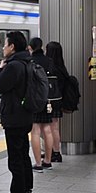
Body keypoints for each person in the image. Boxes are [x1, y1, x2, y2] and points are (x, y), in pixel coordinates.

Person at [0, 31, 33, 193]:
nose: (3, 48)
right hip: (25, 116)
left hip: (14, 117)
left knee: (15, 159)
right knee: (23, 155)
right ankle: (25, 190)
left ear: (12, 46)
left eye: (5, 44)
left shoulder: (14, 66)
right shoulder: (27, 62)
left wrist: (0, 68)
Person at [28, 37, 54, 172]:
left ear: (30, 48)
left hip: (35, 100)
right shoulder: (49, 61)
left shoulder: (30, 62)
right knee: (47, 129)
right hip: (47, 99)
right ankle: (48, 161)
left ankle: (38, 163)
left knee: (36, 131)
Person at [45, 41, 70, 162]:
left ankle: (52, 153)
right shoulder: (61, 67)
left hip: (49, 101)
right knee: (55, 127)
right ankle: (56, 152)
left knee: (48, 128)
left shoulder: (49, 67)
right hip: (58, 100)